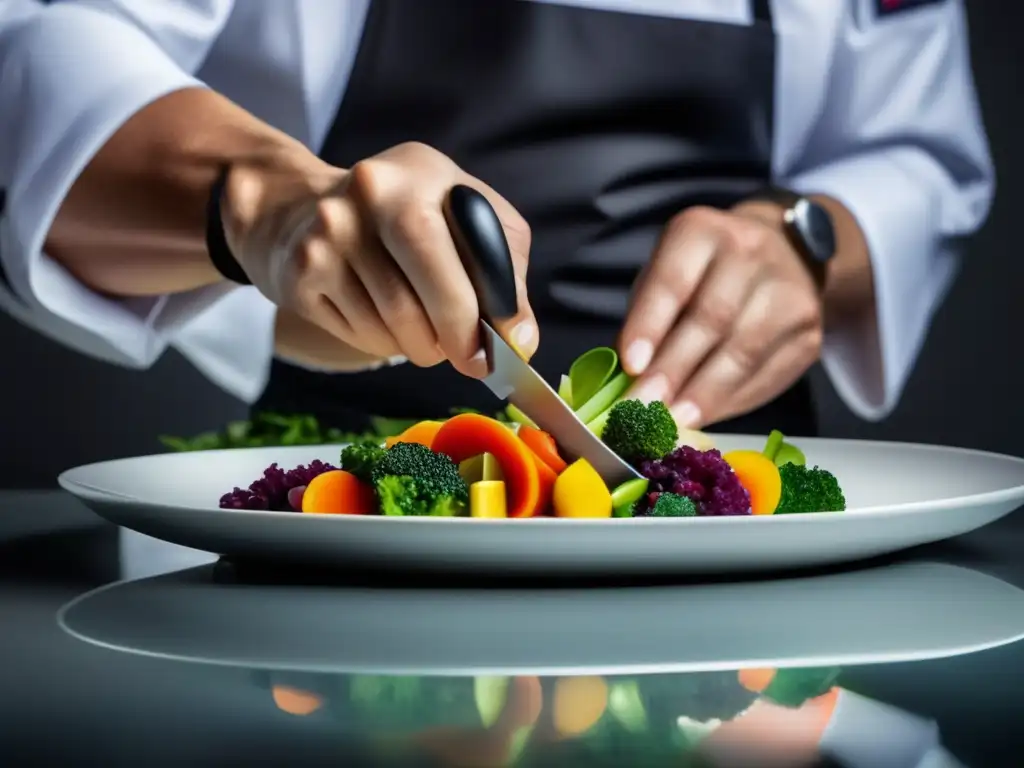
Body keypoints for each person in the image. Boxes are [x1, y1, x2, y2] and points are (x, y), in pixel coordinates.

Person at [0, 0, 994, 438]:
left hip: (749, 552)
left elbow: (918, 154)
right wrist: (271, 201)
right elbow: (41, 63)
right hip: (350, 518)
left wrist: (807, 239)